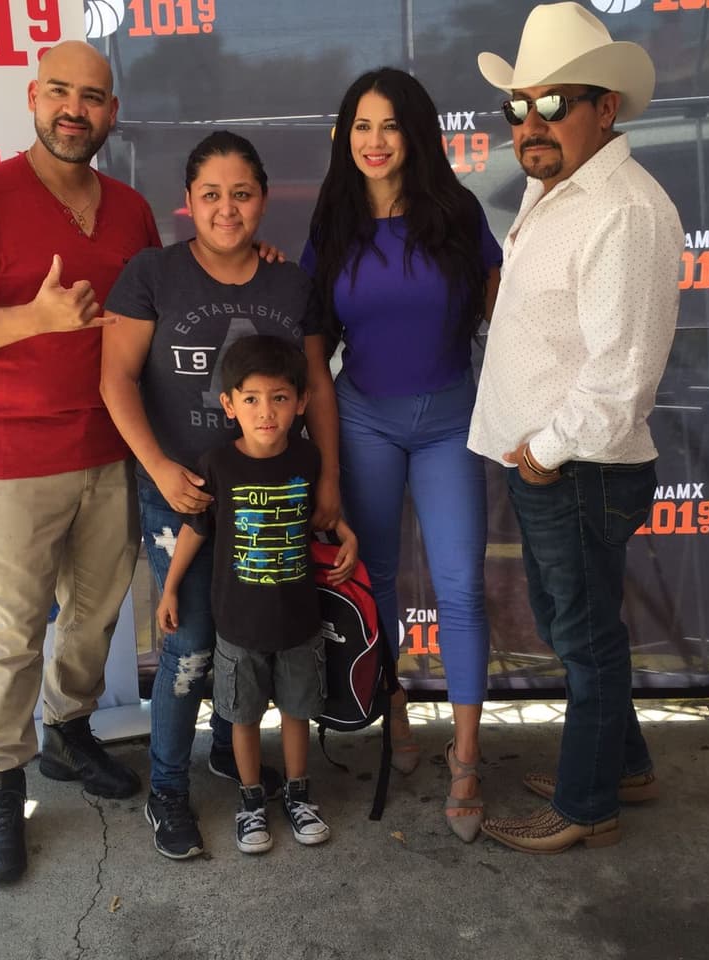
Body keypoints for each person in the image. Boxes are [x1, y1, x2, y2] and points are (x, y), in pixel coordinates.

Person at [0, 40, 154, 885]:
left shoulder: (130, 210)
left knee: (95, 614)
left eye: (92, 97)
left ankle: (69, 731)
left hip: (110, 448)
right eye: (60, 91)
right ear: (32, 96)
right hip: (13, 455)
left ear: (111, 113)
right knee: (14, 628)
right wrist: (33, 319)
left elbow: (157, 312)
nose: (75, 110)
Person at [469, 2, 684, 854]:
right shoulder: (560, 188)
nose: (531, 123)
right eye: (519, 106)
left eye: (554, 104)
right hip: (554, 465)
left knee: (587, 642)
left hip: (576, 467)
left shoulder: (623, 209)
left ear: (608, 107)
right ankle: (623, 764)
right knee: (576, 629)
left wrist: (545, 455)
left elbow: (622, 373)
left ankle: (587, 803)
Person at [102, 130, 341, 860]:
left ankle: (220, 753)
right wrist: (161, 469)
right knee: (192, 642)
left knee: (260, 635)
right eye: (211, 194)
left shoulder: (289, 282)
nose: (227, 209)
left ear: (263, 199)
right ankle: (166, 791)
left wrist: (328, 476)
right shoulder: (153, 274)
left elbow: (319, 385)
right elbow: (115, 377)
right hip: (183, 492)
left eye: (241, 194)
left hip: (269, 500)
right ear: (188, 202)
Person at [301, 68, 502, 842]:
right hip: (364, 424)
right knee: (374, 580)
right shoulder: (336, 222)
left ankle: (468, 759)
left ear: (416, 133)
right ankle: (397, 726)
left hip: (453, 422)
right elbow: (316, 351)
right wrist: (325, 454)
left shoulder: (456, 213)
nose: (374, 142)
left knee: (459, 589)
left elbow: (501, 313)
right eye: (361, 125)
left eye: (389, 126)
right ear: (345, 136)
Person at [155, 335, 357, 854]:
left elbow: (327, 519)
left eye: (280, 398)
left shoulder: (308, 459)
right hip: (238, 628)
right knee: (242, 718)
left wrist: (348, 537)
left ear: (301, 403)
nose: (266, 412)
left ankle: (298, 795)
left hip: (299, 624)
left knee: (295, 712)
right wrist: (170, 587)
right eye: (251, 399)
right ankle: (250, 803)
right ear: (229, 405)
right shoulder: (218, 463)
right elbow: (195, 530)